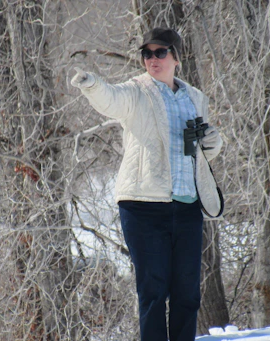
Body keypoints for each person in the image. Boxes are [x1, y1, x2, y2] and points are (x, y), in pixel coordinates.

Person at [71, 27, 223, 341]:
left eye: (160, 52)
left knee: (187, 294)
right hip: (143, 207)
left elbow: (204, 151)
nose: (152, 59)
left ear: (176, 58)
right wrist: (92, 84)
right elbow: (110, 99)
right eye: (147, 53)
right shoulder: (137, 91)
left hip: (187, 207)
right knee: (153, 292)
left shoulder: (195, 98)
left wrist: (213, 140)